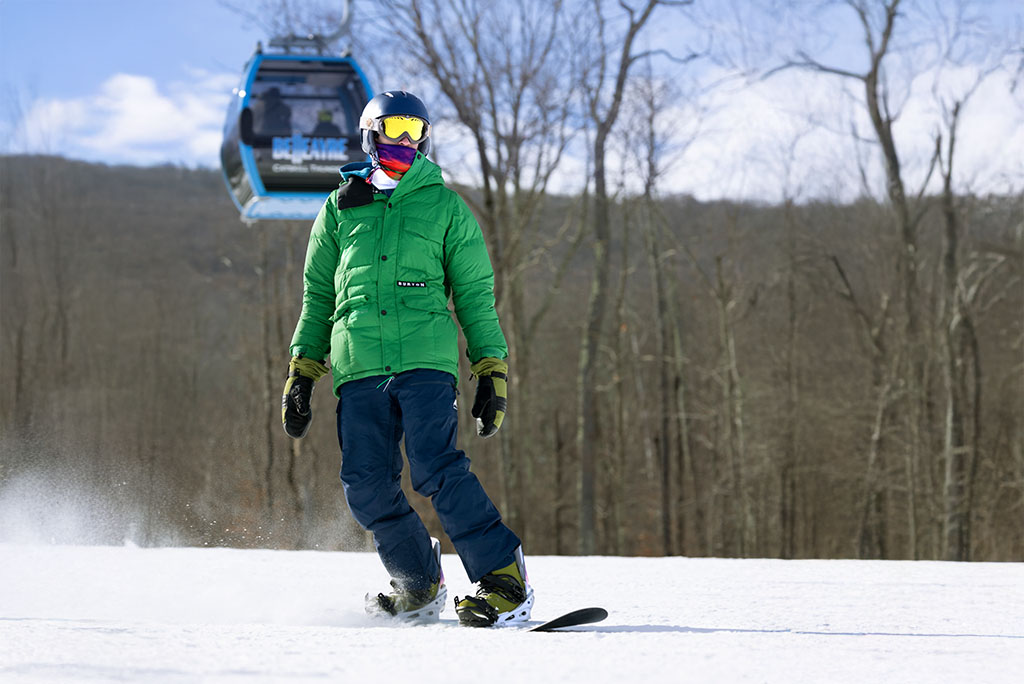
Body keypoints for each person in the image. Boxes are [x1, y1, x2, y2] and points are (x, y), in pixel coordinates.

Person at [281, 90, 532, 627]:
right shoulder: (339, 207)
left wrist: (491, 366)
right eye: (394, 127)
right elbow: (318, 295)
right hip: (358, 367)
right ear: (370, 132)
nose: (405, 140)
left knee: (436, 466)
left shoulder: (444, 206)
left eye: (415, 131)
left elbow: (475, 293)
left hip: (425, 360)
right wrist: (303, 369)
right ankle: (419, 582)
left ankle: (503, 581)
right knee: (365, 484)